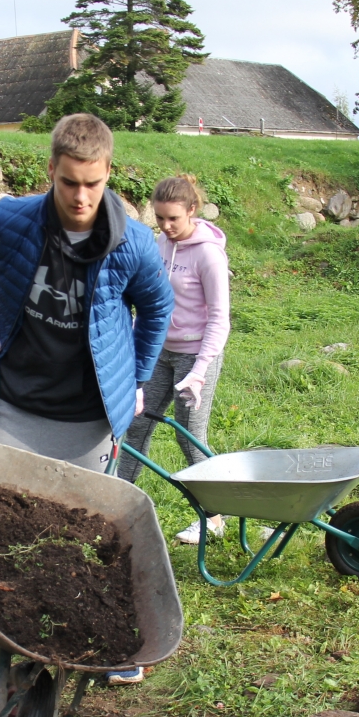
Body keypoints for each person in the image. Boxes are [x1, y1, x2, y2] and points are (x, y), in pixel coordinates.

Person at [0, 113, 174, 685]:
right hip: (17, 399)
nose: (81, 197)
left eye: (93, 183)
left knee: (82, 533)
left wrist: (135, 380)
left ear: (108, 173)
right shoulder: (12, 220)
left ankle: (93, 637)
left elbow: (157, 308)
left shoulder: (131, 244)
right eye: (69, 183)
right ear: (51, 171)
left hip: (88, 412)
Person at [117, 175, 231, 544]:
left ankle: (213, 518)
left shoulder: (208, 254)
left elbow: (220, 318)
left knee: (189, 436)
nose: (166, 227)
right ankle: (115, 508)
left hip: (196, 355)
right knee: (135, 427)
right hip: (158, 352)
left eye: (173, 220)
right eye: (160, 219)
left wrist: (199, 372)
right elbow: (146, 299)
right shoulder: (160, 244)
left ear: (192, 211)